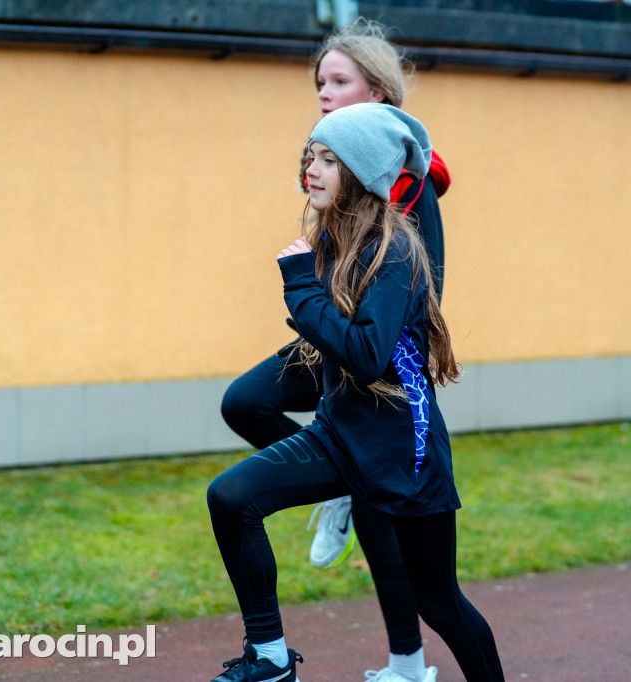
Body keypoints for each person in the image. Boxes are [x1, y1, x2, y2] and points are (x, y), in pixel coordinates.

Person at [206, 103, 504, 682]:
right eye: (309, 157)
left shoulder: (394, 251)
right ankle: (268, 659)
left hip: (403, 456)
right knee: (231, 497)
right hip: (341, 437)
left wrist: (301, 291)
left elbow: (367, 355)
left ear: (362, 173)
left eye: (328, 160)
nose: (310, 170)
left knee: (439, 603)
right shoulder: (336, 244)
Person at [218, 19, 450, 682]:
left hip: (376, 364)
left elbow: (422, 282)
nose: (323, 92)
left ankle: (407, 664)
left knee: (384, 517)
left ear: (376, 91)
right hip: (329, 342)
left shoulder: (407, 176)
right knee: (246, 402)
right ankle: (339, 486)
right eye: (320, 81)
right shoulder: (332, 160)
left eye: (339, 81)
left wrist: (349, 323)